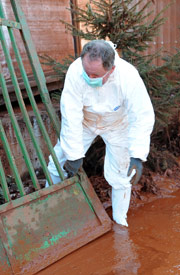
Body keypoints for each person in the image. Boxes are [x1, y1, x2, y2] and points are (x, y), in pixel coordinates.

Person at [47, 40, 155, 227]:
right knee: (58, 160)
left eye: (94, 75)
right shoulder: (75, 72)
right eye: (86, 72)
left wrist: (137, 154)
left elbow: (142, 115)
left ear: (111, 70)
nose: (89, 76)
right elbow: (70, 115)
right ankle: (48, 208)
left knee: (121, 175)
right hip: (85, 121)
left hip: (117, 124)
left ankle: (120, 221)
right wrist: (73, 154)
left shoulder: (128, 76)